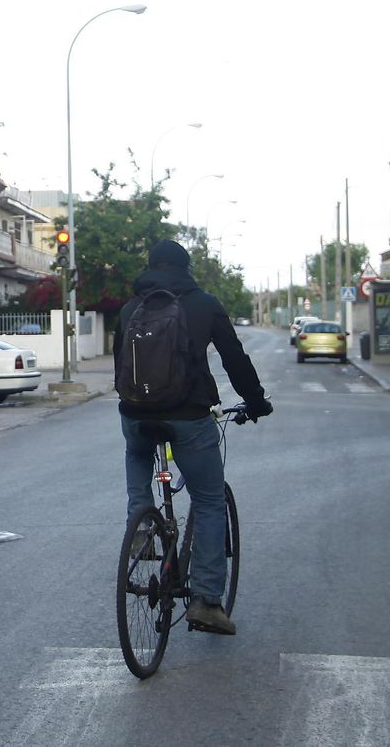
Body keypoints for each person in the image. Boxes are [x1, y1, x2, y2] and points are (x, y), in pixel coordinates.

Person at [114, 239, 273, 636]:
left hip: (136, 414)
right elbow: (235, 359)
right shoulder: (203, 303)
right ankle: (206, 601)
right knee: (209, 499)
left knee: (138, 454)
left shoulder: (130, 308)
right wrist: (256, 401)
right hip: (188, 416)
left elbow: (120, 366)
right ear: (186, 268)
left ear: (151, 266)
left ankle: (142, 526)